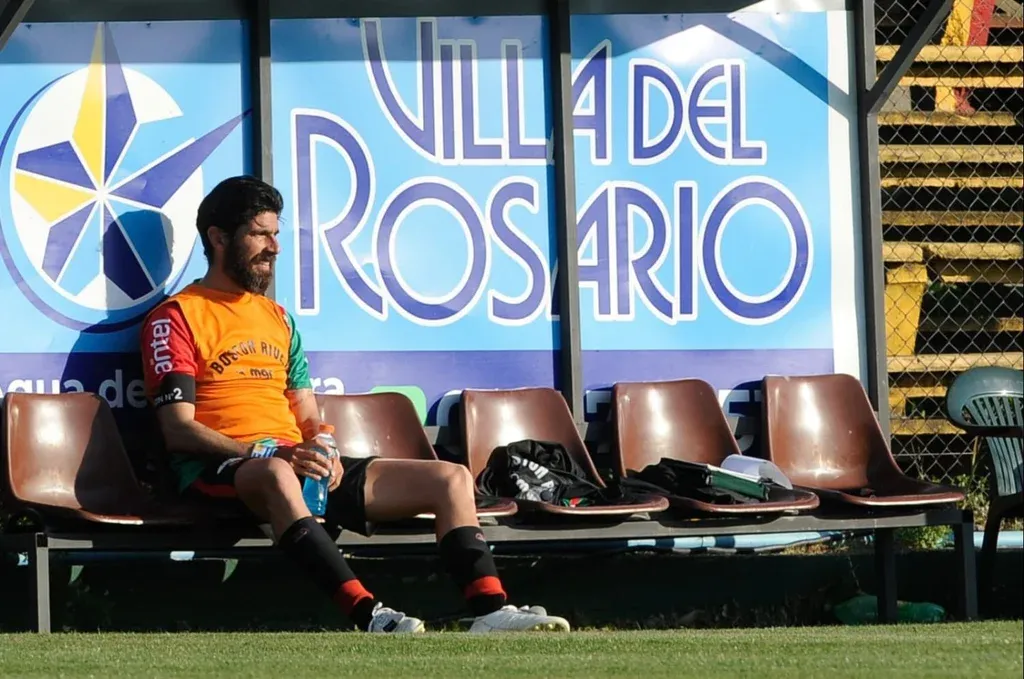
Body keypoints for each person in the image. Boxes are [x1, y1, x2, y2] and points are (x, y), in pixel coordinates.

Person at [141, 175, 570, 634]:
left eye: (276, 234)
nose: (274, 248)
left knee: (451, 478)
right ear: (219, 238)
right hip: (225, 468)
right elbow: (178, 429)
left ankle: (490, 611)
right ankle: (370, 616)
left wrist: (323, 445)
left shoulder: (278, 318)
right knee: (277, 472)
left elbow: (306, 412)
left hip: (294, 460)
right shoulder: (176, 317)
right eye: (260, 234)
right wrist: (266, 452)